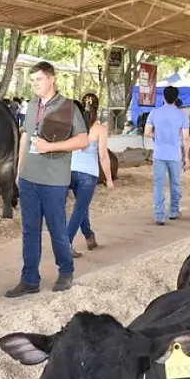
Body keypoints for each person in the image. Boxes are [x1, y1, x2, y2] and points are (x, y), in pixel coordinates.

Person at [5, 61, 89, 298]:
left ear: (52, 79)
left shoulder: (68, 107)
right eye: (32, 80)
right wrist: (19, 173)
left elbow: (83, 140)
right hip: (29, 178)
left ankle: (66, 271)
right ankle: (29, 279)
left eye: (39, 79)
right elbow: (25, 139)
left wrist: (51, 146)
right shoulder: (30, 106)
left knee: (56, 229)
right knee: (30, 231)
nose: (35, 84)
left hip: (54, 181)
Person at [68, 92, 114, 258]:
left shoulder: (73, 126)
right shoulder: (100, 130)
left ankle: (89, 236)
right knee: (80, 208)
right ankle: (66, 242)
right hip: (88, 174)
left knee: (82, 206)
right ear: (97, 108)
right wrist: (109, 179)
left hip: (70, 172)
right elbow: (103, 155)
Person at [144, 86, 190, 225]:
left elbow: (147, 132)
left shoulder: (154, 113)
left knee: (158, 185)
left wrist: (156, 137)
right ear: (176, 99)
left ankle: (159, 216)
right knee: (175, 184)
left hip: (159, 155)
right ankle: (174, 212)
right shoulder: (182, 115)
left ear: (163, 97)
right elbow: (186, 138)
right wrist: (186, 157)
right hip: (175, 155)